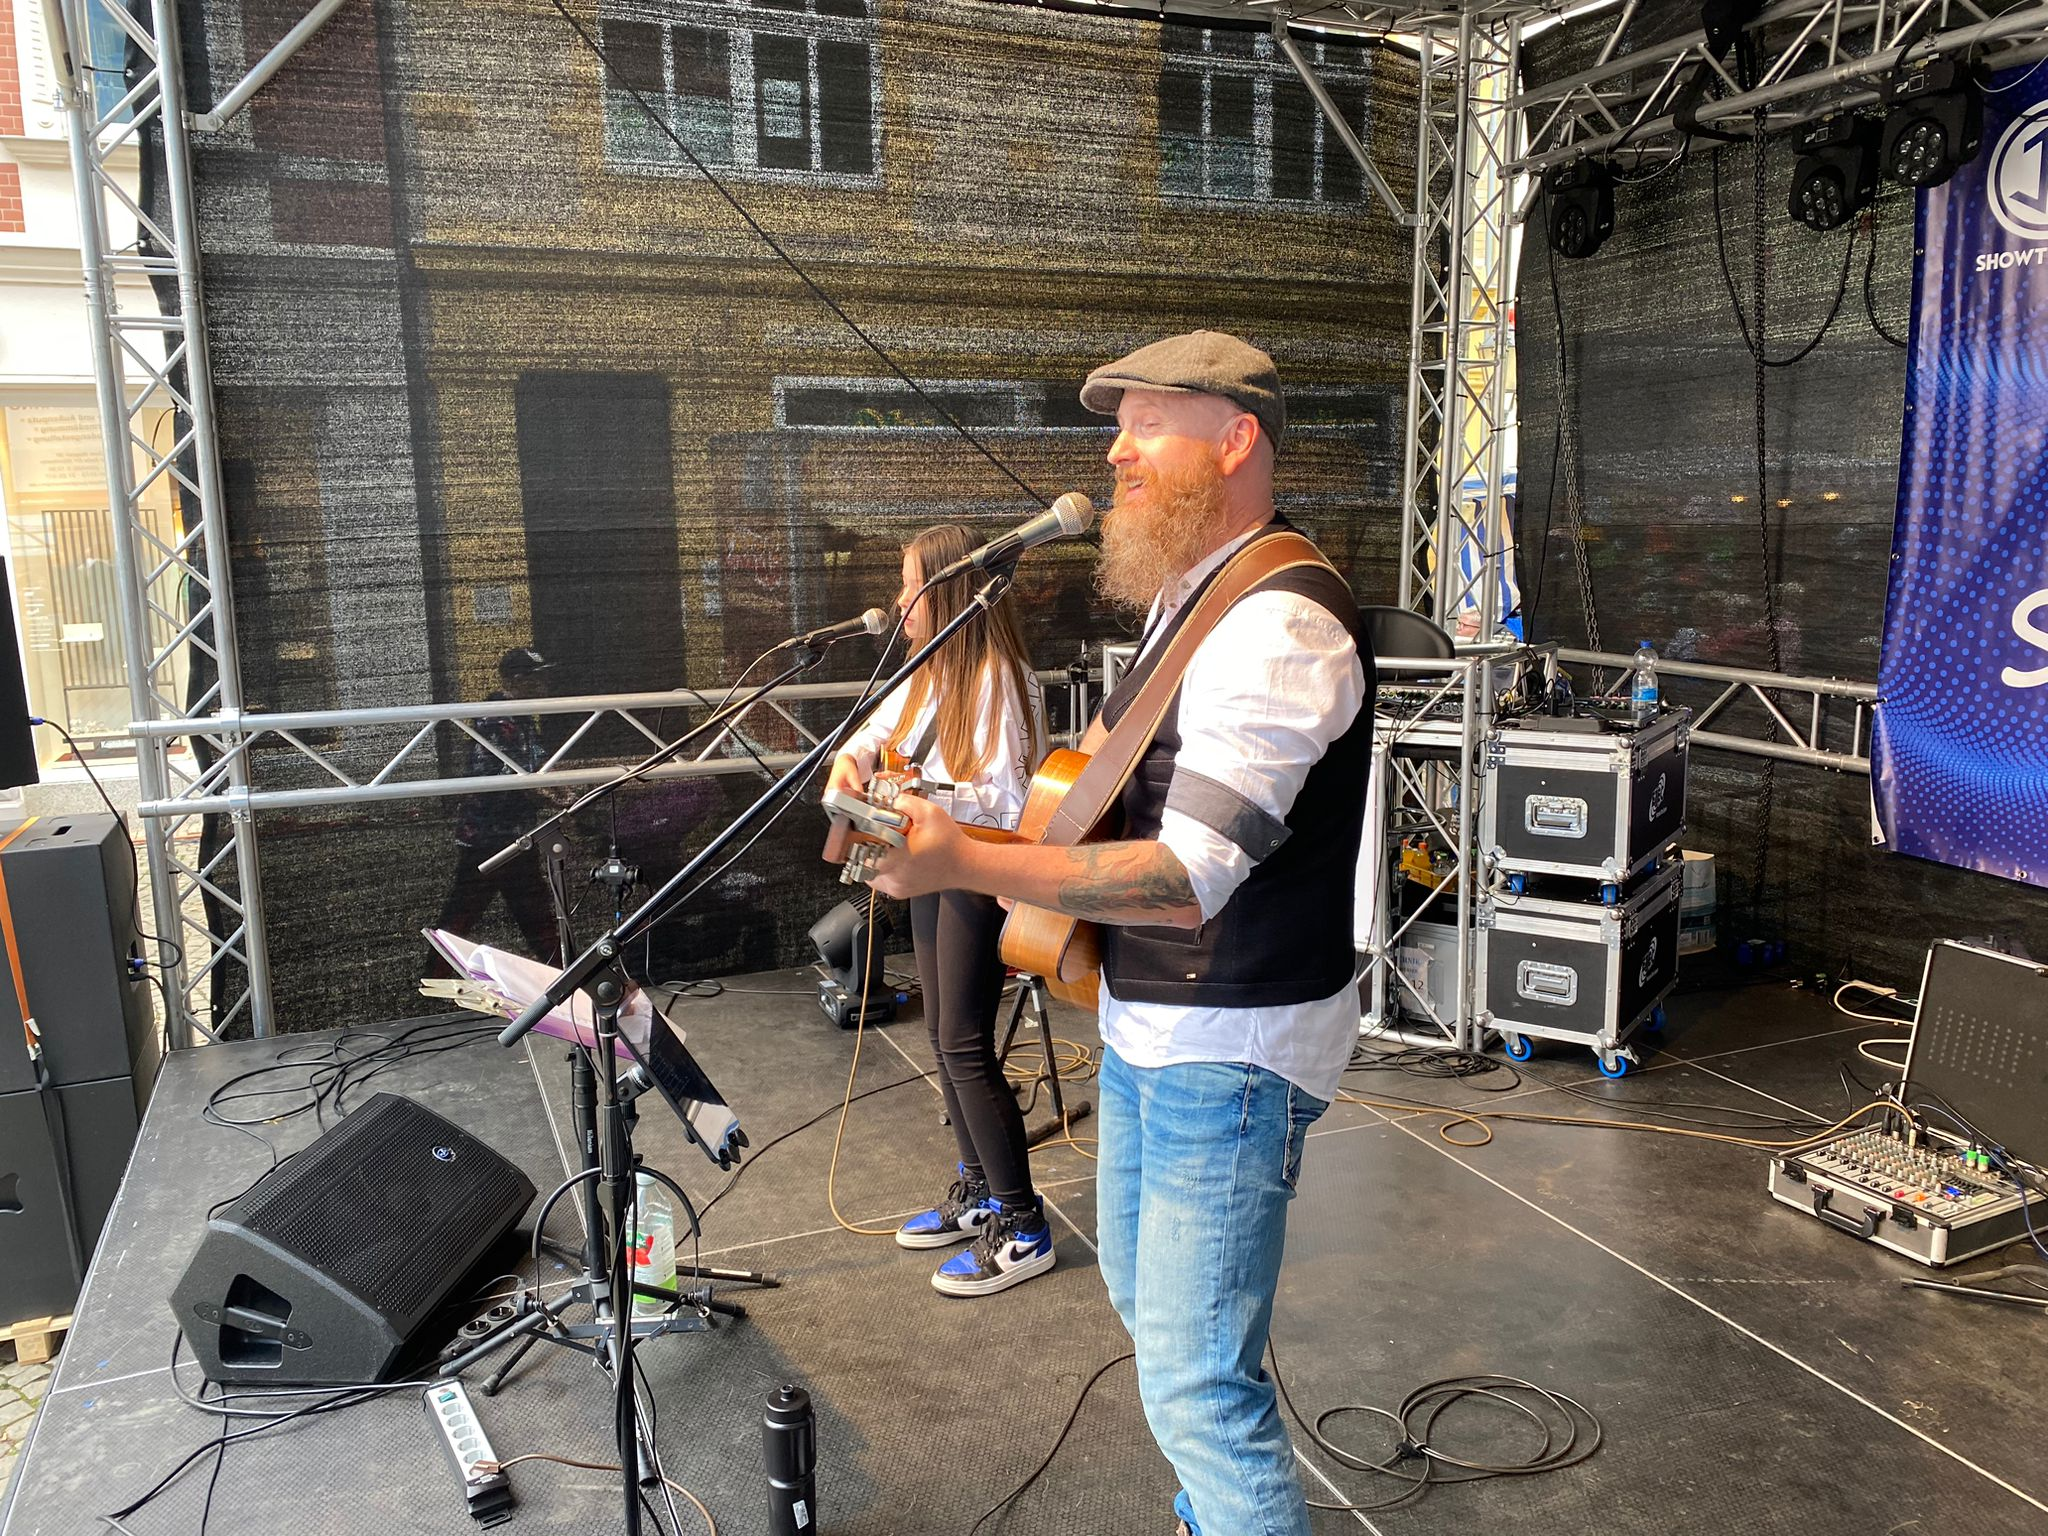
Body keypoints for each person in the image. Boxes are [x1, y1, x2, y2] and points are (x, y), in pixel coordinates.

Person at [867, 332, 1375, 1535]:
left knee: (1198, 1388)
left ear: (1234, 440)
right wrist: (923, 813)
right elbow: (1098, 788)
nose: (1115, 452)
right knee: (1156, 1327)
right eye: (1118, 427)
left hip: (1231, 1046)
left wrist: (964, 861)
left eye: (1147, 424)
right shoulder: (1194, 601)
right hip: (1159, 1027)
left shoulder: (1277, 621)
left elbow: (1185, 878)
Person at [825, 523, 1054, 1297]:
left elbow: (1008, 801)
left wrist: (919, 793)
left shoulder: (997, 675)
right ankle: (980, 1189)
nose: (901, 601)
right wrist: (853, 761)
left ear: (949, 589)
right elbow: (871, 735)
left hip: (976, 868)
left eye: (912, 585)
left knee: (961, 1041)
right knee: (941, 1035)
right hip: (930, 865)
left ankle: (1022, 1224)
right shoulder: (927, 671)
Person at [437, 646, 560, 965]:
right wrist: (553, 796)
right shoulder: (496, 720)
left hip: (513, 835)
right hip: (488, 837)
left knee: (533, 915)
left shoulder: (522, 720)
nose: (544, 685)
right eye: (536, 679)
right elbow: (506, 779)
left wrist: (558, 788)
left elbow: (537, 768)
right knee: (463, 915)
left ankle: (563, 975)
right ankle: (434, 976)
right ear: (515, 681)